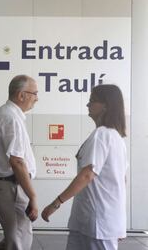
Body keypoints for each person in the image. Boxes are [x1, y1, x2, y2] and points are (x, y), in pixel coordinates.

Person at [41, 84, 128, 250]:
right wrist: (119, 222)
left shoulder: (102, 135)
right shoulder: (116, 137)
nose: (88, 105)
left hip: (98, 222)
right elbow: (122, 181)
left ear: (105, 106)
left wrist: (55, 204)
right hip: (94, 221)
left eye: (92, 101)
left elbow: (87, 175)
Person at [0, 75, 39, 250]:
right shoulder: (11, 119)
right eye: (34, 93)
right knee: (19, 241)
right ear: (21, 95)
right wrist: (33, 196)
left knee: (13, 239)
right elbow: (17, 162)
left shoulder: (5, 114)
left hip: (7, 186)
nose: (37, 98)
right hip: (10, 187)